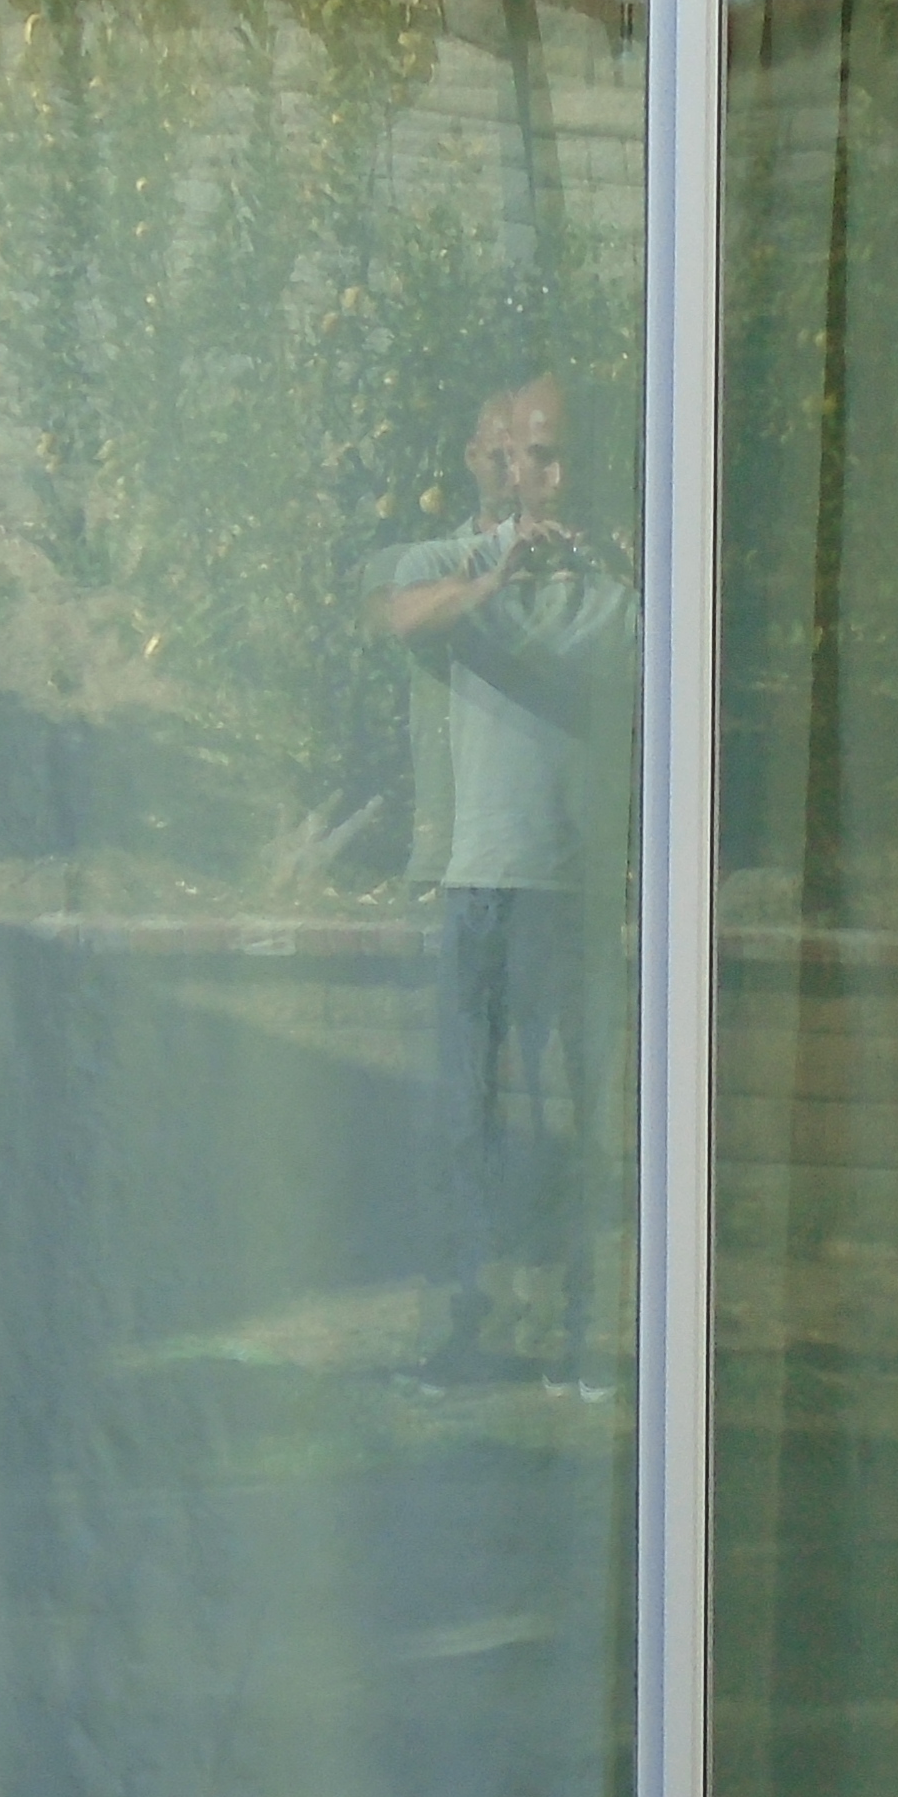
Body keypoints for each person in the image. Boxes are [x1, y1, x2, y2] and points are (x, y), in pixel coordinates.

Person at [371, 373, 637, 1381]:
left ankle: (579, 1327)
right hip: (481, 885)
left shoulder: (626, 575)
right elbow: (396, 615)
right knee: (468, 1117)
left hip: (576, 891)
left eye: (566, 453)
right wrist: (495, 576)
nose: (550, 473)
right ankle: (469, 1323)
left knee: (582, 1116)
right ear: (507, 462)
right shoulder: (458, 559)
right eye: (534, 453)